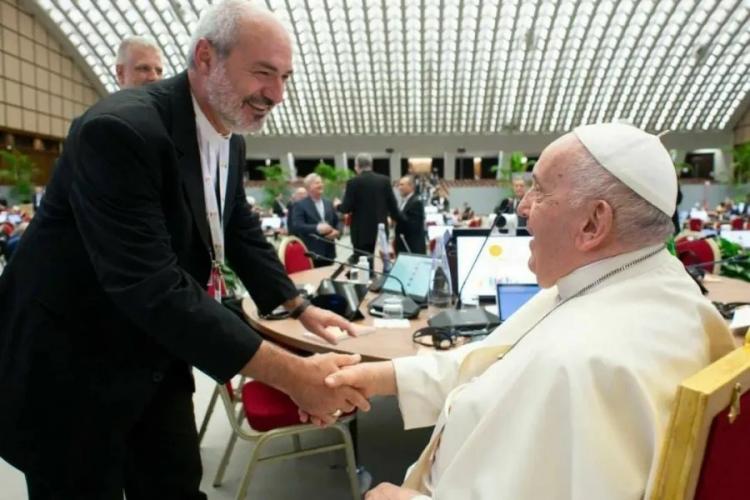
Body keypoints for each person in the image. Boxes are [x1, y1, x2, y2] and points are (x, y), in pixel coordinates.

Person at [0, 2, 370, 498]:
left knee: (175, 485)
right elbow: (151, 285)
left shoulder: (228, 135)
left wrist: (297, 307)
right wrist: (292, 374)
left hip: (155, 350)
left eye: (284, 77)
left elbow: (236, 226)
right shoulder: (120, 131)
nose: (276, 95)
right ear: (204, 57)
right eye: (262, 73)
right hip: (71, 366)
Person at [323, 123, 736, 500]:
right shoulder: (637, 283)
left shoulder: (589, 363)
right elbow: (492, 359)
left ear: (593, 224)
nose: (521, 207)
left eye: (538, 191)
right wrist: (384, 376)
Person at [338, 153, 400, 265]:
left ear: (357, 166)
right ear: (371, 164)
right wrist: (402, 220)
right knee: (384, 264)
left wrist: (337, 205)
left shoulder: (353, 182)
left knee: (364, 265)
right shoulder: (384, 181)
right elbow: (393, 206)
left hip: (361, 232)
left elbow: (346, 208)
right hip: (380, 230)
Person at [292, 173, 340, 267]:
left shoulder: (328, 203)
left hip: (329, 252)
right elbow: (297, 226)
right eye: (317, 183)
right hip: (312, 254)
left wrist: (337, 232)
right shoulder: (300, 205)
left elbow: (337, 221)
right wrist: (316, 228)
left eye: (321, 182)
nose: (321, 185)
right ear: (309, 187)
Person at [394, 175, 426, 254]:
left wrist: (395, 215)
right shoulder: (405, 201)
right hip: (404, 246)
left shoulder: (416, 202)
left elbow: (413, 226)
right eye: (398, 185)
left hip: (412, 248)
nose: (399, 188)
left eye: (402, 185)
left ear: (411, 186)